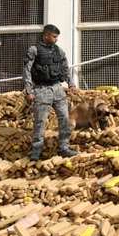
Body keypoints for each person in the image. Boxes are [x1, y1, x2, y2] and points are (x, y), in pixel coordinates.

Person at [23, 24, 78, 160]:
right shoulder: (34, 50)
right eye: (54, 37)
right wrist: (29, 90)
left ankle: (64, 147)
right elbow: (27, 71)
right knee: (40, 122)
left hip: (57, 88)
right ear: (46, 35)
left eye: (57, 37)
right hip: (41, 90)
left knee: (65, 119)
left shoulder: (59, 51)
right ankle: (36, 152)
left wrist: (71, 83)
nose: (56, 39)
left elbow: (65, 68)